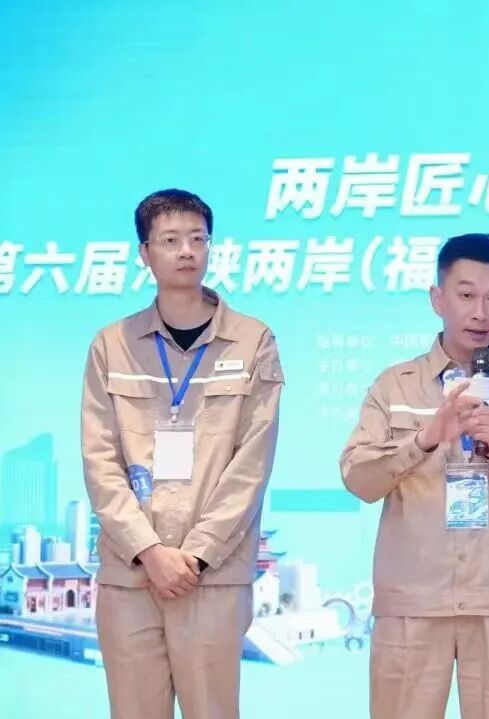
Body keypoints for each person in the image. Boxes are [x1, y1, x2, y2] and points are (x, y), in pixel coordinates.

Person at [340, 232, 489, 719]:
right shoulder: (395, 385)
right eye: (466, 295)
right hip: (413, 600)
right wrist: (424, 440)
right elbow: (358, 478)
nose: (481, 312)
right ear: (437, 298)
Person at [82, 188, 284, 719]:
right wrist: (149, 550)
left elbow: (253, 462)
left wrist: (195, 555)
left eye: (198, 238)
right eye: (170, 240)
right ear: (144, 253)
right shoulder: (111, 345)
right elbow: (100, 461)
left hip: (211, 575)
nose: (187, 251)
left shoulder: (253, 341)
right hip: (131, 575)